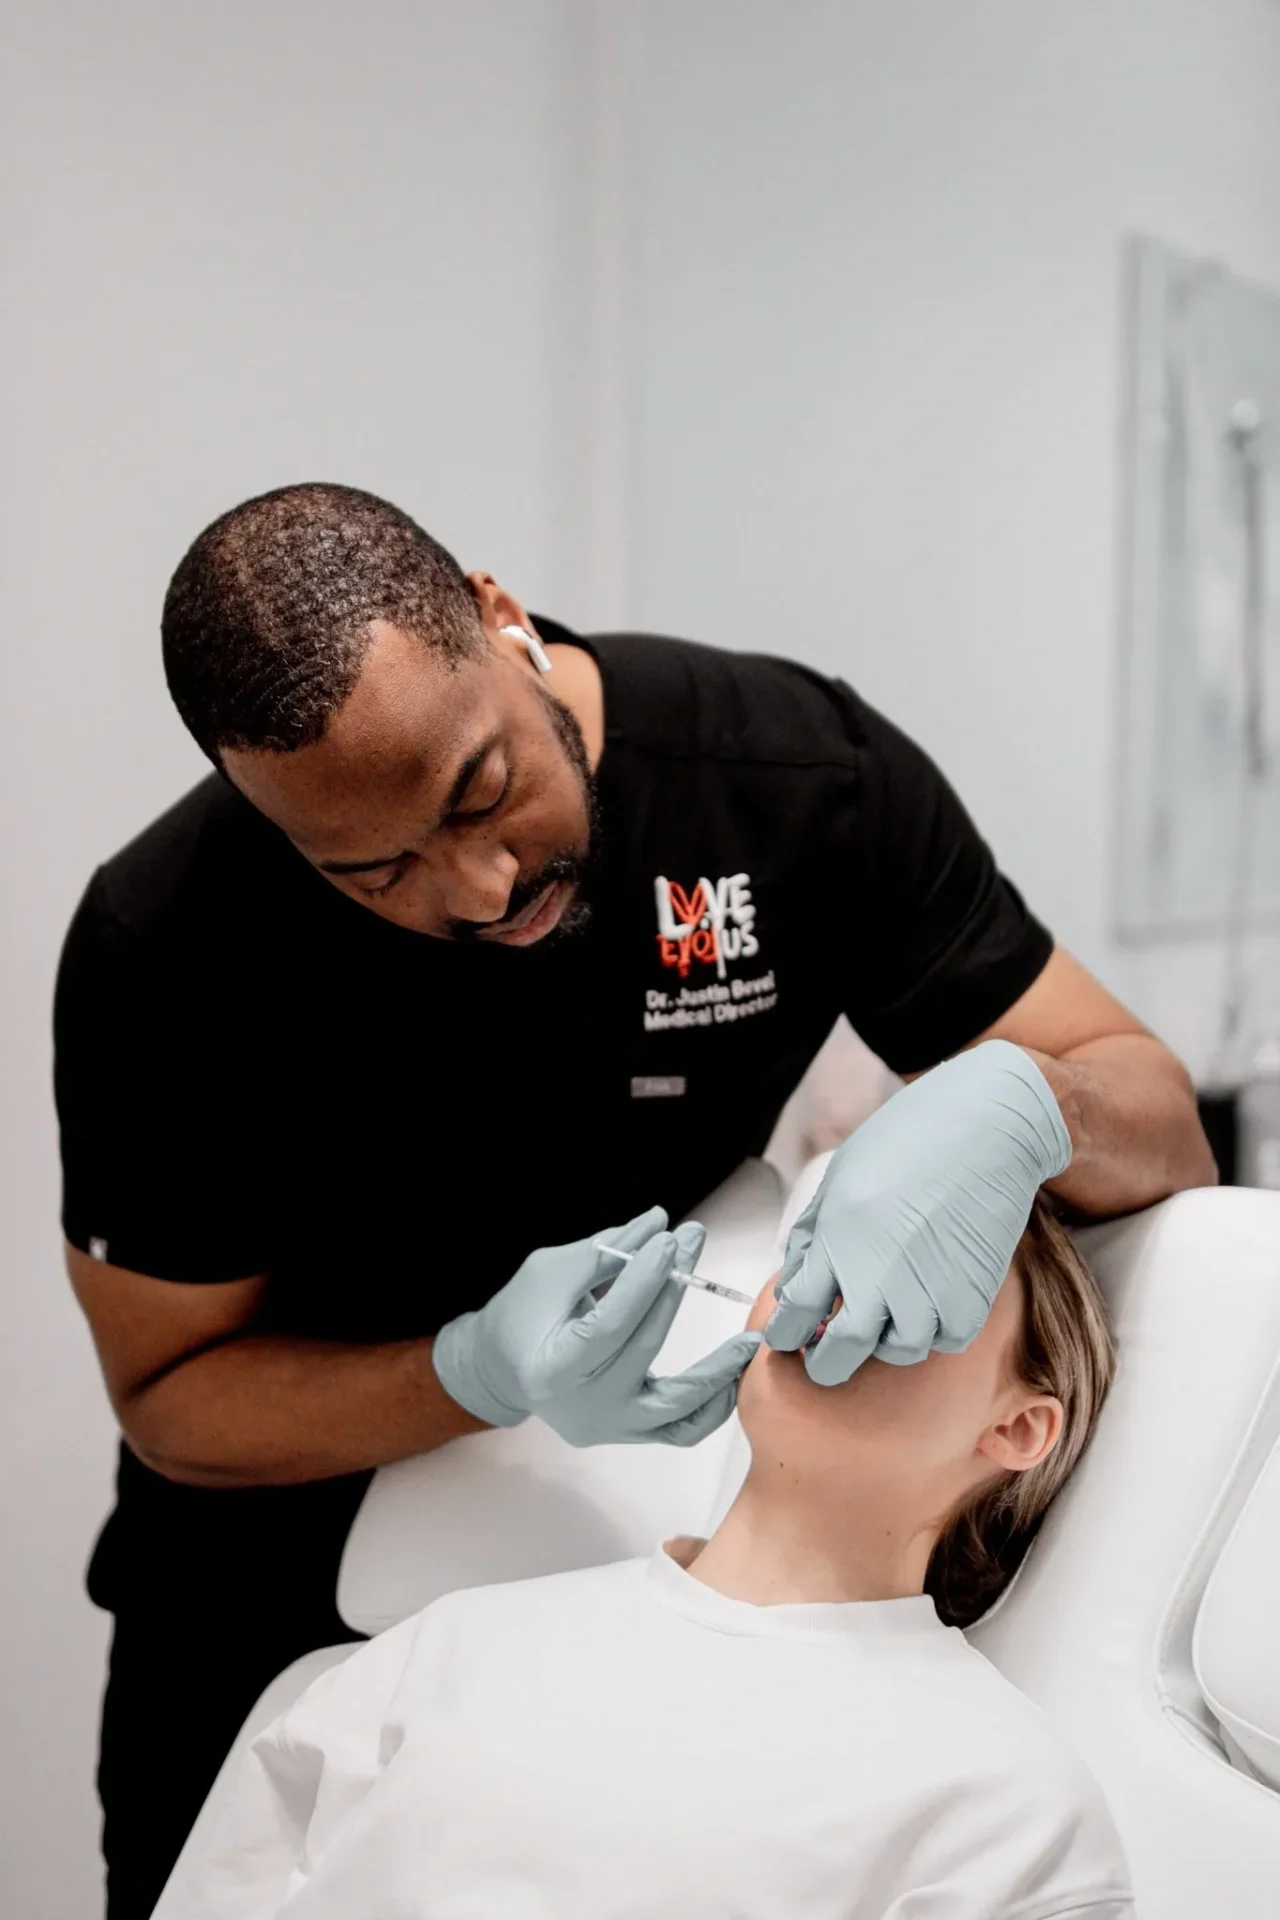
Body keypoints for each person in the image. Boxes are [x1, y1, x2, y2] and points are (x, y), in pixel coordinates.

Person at [54, 482, 1212, 1916]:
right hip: (267, 1587)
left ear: (499, 615)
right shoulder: (168, 951)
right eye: (378, 874)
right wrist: (472, 1373)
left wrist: (1036, 1105)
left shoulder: (796, 784)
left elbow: (1155, 1116)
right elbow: (170, 1397)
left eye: (483, 796)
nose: (480, 890)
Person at [153, 1195, 1130, 1920]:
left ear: (1017, 1428)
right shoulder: (448, 1645)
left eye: (925, 1264)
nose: (842, 1283)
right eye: (826, 1242)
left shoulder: (1005, 1798)